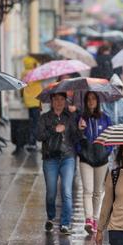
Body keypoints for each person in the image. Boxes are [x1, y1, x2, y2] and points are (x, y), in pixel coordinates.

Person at [37, 92, 81, 234]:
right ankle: (50, 217)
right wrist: (54, 130)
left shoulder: (71, 117)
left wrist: (80, 128)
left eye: (62, 99)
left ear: (66, 101)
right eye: (56, 99)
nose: (59, 102)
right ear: (51, 100)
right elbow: (38, 135)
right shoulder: (45, 118)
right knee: (51, 192)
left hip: (68, 157)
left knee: (66, 191)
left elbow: (75, 137)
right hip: (50, 158)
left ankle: (65, 223)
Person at [77, 91, 112, 234]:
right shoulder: (80, 118)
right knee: (88, 190)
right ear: (85, 102)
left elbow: (111, 137)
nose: (91, 101)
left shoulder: (105, 118)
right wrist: (80, 131)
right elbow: (75, 138)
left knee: (98, 191)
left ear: (98, 101)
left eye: (93, 99)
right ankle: (89, 219)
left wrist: (107, 151)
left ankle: (96, 218)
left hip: (101, 158)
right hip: (86, 157)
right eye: (88, 99)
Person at [21, 56, 43, 151]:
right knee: (36, 122)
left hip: (28, 101)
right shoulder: (36, 73)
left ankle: (30, 141)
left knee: (31, 122)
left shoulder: (24, 73)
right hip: (36, 101)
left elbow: (21, 87)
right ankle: (33, 142)